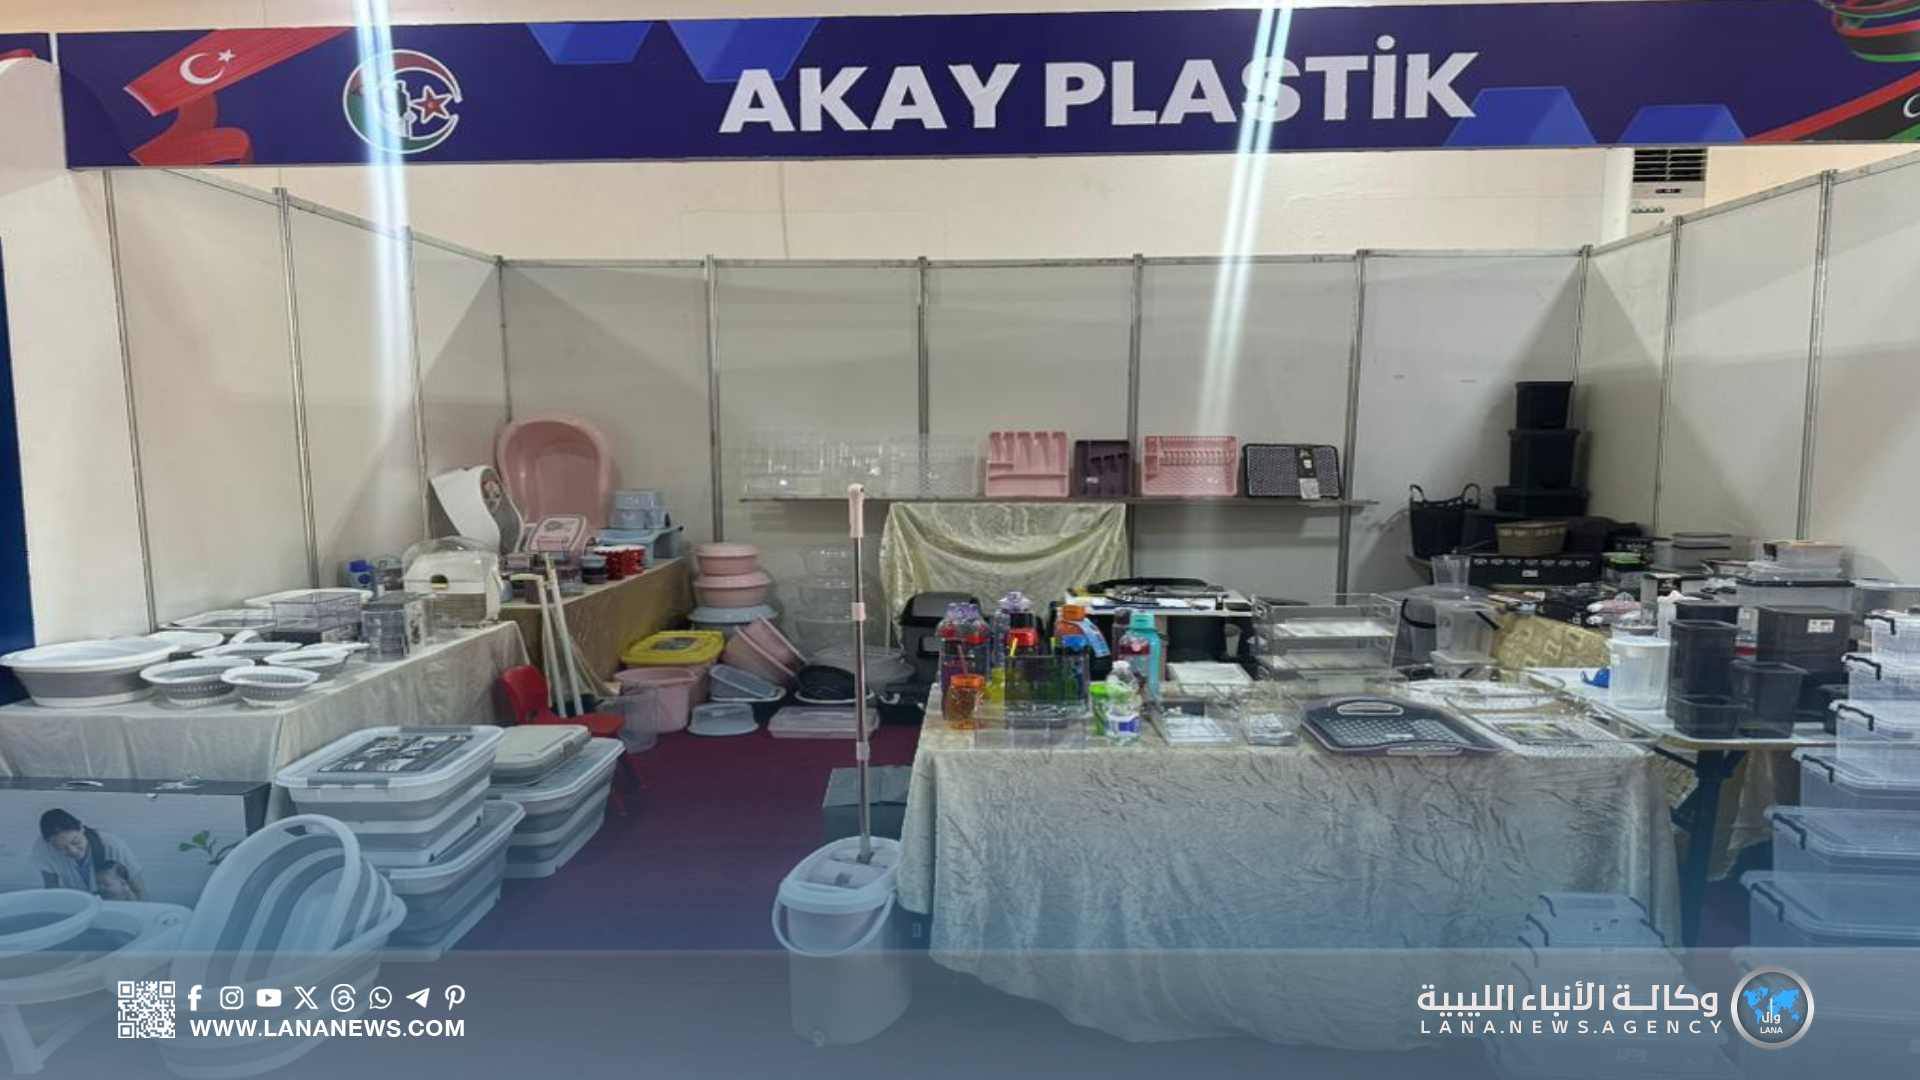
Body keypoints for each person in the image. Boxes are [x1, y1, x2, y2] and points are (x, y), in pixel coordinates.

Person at [33, 809, 149, 901]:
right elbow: (52, 890)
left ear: (81, 829)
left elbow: (139, 890)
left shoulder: (112, 845)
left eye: (76, 842)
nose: (73, 851)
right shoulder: (45, 848)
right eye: (61, 848)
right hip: (79, 905)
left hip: (118, 904)